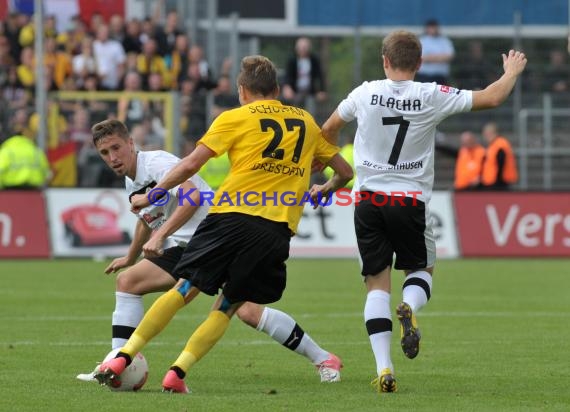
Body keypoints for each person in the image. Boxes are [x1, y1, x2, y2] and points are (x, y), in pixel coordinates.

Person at [93, 55, 353, 393]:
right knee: (231, 307)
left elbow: (190, 166)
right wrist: (326, 189)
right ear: (276, 89)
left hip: (227, 219)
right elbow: (345, 173)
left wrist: (154, 193)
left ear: (242, 90)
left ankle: (122, 356)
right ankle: (177, 371)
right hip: (275, 229)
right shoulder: (305, 121)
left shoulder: (234, 117)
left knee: (186, 290)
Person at [320, 30, 526, 392]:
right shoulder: (431, 94)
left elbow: (328, 129)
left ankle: (385, 369)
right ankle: (410, 307)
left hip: (369, 201)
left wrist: (335, 177)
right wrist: (510, 72)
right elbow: (492, 98)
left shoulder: (364, 92)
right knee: (422, 269)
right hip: (409, 200)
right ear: (419, 63)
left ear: (384, 61)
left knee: (375, 285)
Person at [282, 37, 327, 109]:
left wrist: (321, 90)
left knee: (311, 109)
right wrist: (287, 87)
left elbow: (320, 76)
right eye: (301, 47)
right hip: (295, 91)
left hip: (310, 92)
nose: (303, 49)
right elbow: (287, 75)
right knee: (295, 109)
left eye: (305, 47)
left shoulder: (314, 60)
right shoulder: (292, 60)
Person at [480, 122, 518, 190]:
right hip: (493, 181)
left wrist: (498, 179)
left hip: (498, 182)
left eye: (485, 134)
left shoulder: (499, 144)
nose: (484, 136)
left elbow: (501, 161)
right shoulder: (494, 144)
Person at [415, 19, 454, 85]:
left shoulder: (444, 40)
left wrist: (430, 58)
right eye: (431, 27)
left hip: (440, 76)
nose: (433, 29)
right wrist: (439, 58)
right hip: (424, 76)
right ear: (427, 28)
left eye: (434, 27)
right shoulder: (422, 40)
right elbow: (420, 57)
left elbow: (450, 56)